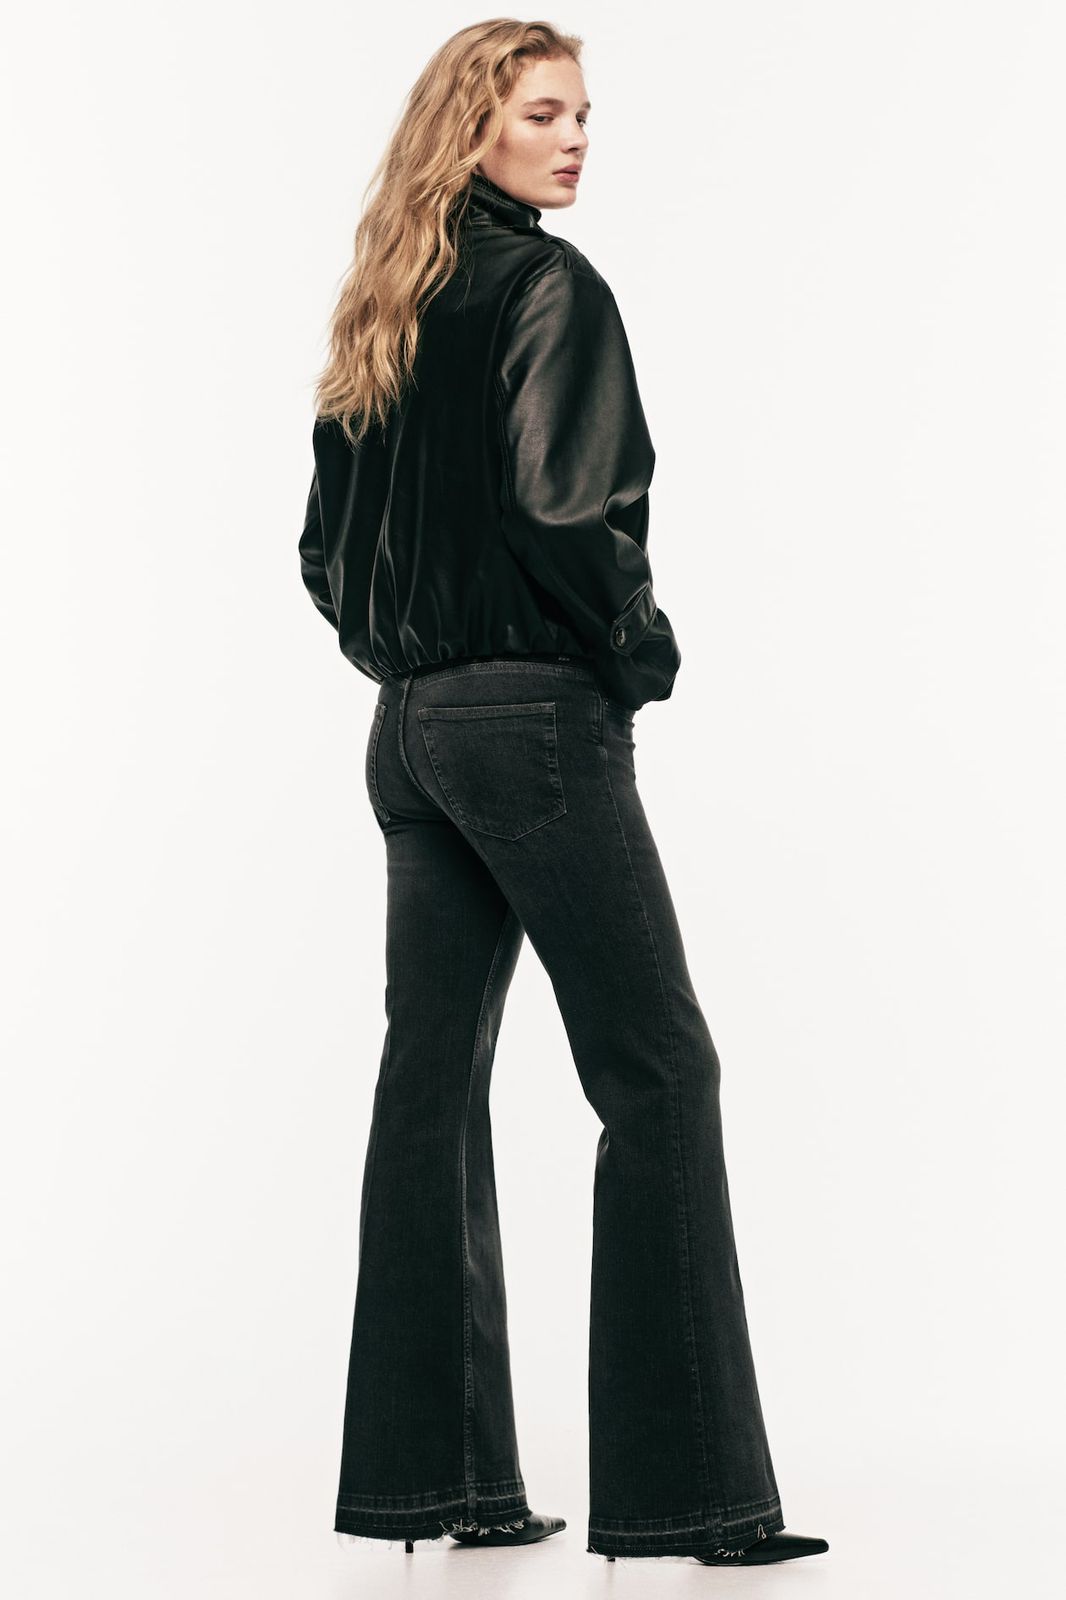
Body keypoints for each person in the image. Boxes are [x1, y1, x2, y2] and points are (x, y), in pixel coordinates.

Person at [297, 18, 828, 1569]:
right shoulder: (547, 287)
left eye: (582, 113)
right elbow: (563, 510)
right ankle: (692, 1501)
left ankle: (438, 1486)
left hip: (409, 734)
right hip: (528, 722)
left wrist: (410, 663)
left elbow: (323, 552)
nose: (576, 138)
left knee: (428, 1085)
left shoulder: (388, 304)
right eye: (543, 114)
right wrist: (634, 652)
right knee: (658, 1074)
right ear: (472, 128)